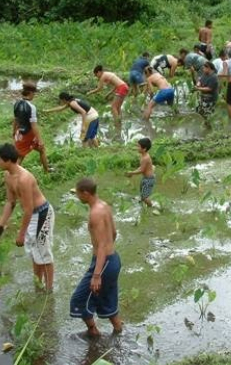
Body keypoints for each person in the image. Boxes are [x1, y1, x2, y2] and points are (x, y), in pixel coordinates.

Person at [0, 143, 55, 291]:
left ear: (8, 160)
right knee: (35, 253)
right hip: (32, 215)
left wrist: (21, 234)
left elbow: (28, 209)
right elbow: (10, 202)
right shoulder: (8, 176)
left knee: (43, 253)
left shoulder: (24, 179)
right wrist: (1, 224)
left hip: (41, 214)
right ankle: (37, 284)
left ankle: (49, 289)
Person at [70, 178, 122, 336]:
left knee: (78, 299)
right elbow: (113, 233)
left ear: (85, 193)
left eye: (78, 193)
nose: (77, 197)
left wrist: (97, 275)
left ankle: (93, 332)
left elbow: (101, 246)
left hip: (104, 263)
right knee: (107, 297)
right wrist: (108, 250)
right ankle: (118, 330)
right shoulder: (104, 206)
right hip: (113, 260)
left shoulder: (95, 214)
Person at [13, 81, 51, 173]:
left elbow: (16, 119)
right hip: (28, 135)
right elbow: (34, 125)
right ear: (30, 93)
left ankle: (47, 170)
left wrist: (14, 132)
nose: (34, 95)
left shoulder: (16, 103)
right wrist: (40, 140)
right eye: (34, 93)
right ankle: (13, 174)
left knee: (40, 150)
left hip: (19, 133)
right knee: (21, 156)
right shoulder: (31, 107)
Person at [125, 138, 155, 207]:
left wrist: (131, 173)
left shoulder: (145, 158)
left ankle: (151, 206)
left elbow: (141, 170)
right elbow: (141, 167)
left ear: (144, 149)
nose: (137, 148)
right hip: (145, 178)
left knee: (145, 196)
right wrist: (132, 172)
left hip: (149, 179)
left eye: (138, 146)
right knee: (142, 192)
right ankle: (142, 202)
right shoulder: (143, 156)